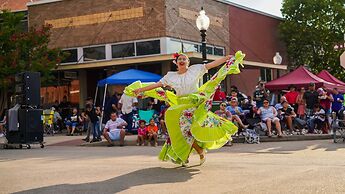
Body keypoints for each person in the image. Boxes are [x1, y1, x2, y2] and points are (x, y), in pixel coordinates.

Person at [126, 51, 244, 166]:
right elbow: (156, 85)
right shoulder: (170, 76)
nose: (181, 61)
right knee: (183, 131)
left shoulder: (195, 70)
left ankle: (194, 152)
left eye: (184, 59)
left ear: (188, 62)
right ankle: (193, 152)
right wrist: (141, 89)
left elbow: (211, 65)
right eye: (179, 59)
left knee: (191, 129)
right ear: (176, 63)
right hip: (181, 105)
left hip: (194, 103)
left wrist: (225, 58)